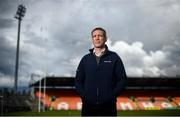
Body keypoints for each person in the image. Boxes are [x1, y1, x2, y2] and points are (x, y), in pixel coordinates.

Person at [75, 27, 127, 116]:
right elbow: (78, 81)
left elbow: (122, 80)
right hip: (88, 106)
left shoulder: (114, 57)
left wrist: (111, 96)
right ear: (92, 39)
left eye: (100, 35)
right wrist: (85, 96)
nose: (97, 38)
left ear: (105, 39)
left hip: (108, 106)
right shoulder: (85, 59)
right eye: (94, 36)